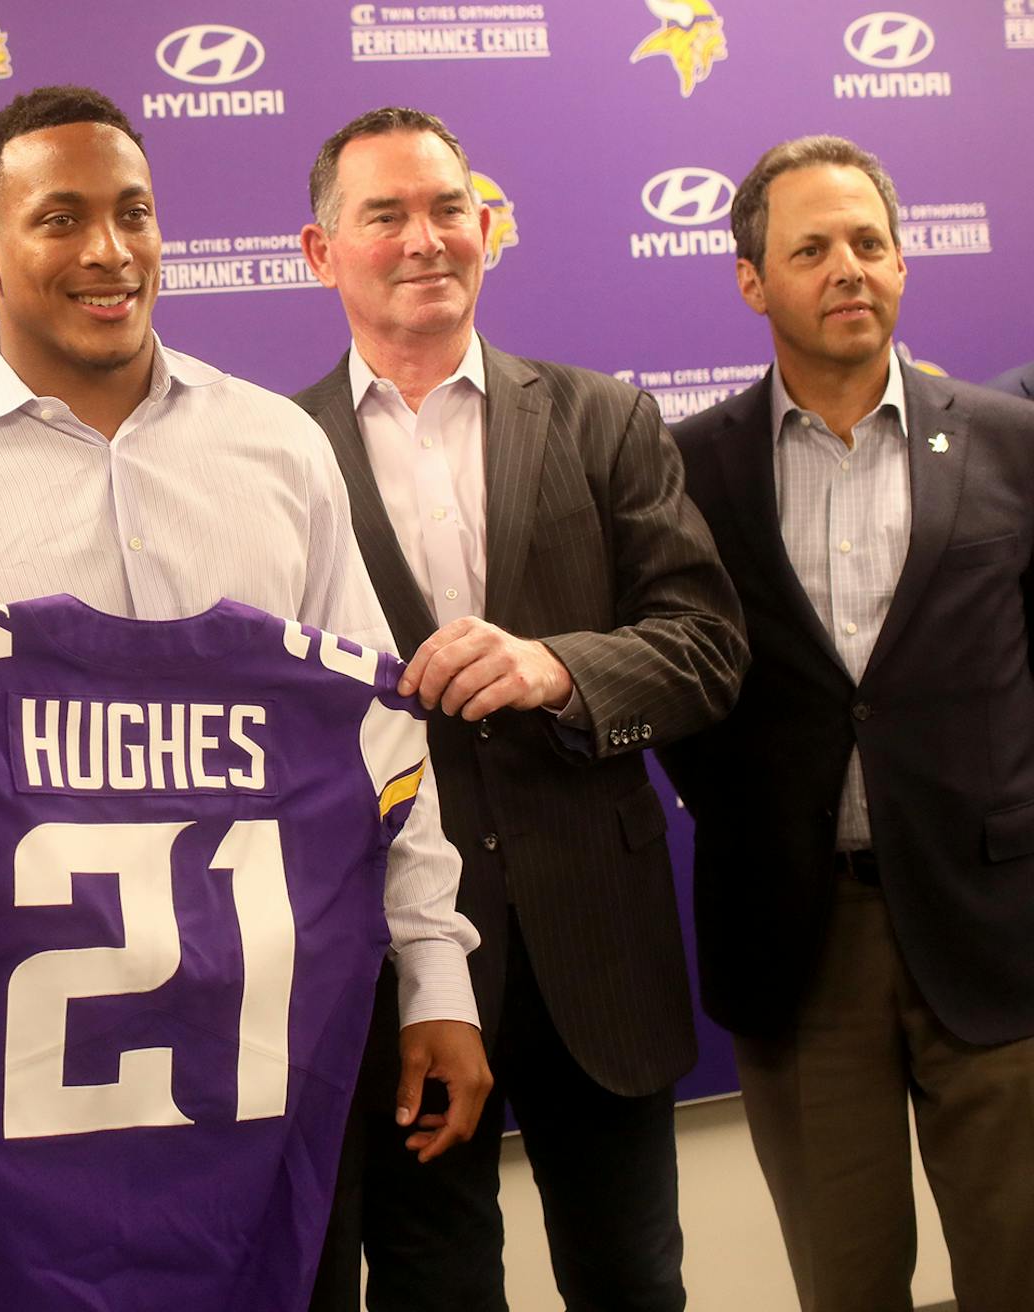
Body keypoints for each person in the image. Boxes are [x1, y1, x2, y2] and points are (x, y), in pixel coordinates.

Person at [0, 84, 491, 1302]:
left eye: (134, 213)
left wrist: (436, 971)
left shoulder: (280, 450)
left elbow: (380, 737)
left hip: (270, 1079)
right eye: (60, 219)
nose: (110, 251)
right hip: (27, 1126)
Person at [293, 106, 746, 1312]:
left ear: (489, 225)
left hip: (598, 950)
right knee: (437, 1288)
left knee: (635, 1279)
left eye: (450, 207)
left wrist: (559, 668)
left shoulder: (604, 419)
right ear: (319, 249)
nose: (425, 237)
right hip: (392, 965)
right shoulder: (272, 457)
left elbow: (707, 649)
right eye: (384, 214)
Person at [662, 134, 1034, 1312]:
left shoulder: (1011, 442)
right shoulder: (686, 468)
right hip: (799, 940)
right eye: (811, 247)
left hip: (995, 936)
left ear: (904, 262)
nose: (847, 269)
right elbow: (681, 689)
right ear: (750, 279)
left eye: (869, 242)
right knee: (847, 1282)